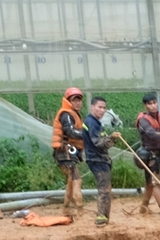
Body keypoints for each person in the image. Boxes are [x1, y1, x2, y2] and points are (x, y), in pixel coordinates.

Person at [48, 87, 87, 219]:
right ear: (68, 101)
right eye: (74, 100)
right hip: (65, 152)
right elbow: (70, 132)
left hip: (69, 152)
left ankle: (65, 208)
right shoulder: (66, 114)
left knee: (71, 181)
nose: (78, 103)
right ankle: (80, 209)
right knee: (76, 180)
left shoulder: (71, 114)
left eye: (79, 100)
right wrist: (87, 135)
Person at [133, 93, 160, 215]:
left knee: (149, 183)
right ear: (145, 105)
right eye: (150, 104)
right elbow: (152, 134)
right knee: (155, 182)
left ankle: (143, 207)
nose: (153, 106)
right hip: (149, 154)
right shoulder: (143, 121)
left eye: (154, 102)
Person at [83, 96, 115, 226]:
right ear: (92, 107)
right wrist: (111, 138)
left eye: (104, 108)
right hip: (97, 159)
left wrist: (109, 138)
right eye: (99, 107)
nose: (102, 110)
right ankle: (101, 217)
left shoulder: (95, 122)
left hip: (99, 159)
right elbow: (98, 143)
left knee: (106, 187)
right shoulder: (91, 122)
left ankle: (105, 217)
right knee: (104, 188)